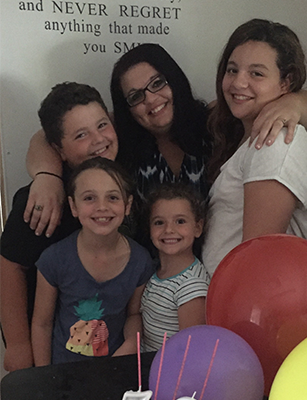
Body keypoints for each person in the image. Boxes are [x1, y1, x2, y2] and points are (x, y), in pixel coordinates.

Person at [23, 43, 307, 240]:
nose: (151, 100)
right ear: (126, 108)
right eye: (136, 96)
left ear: (174, 80)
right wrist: (47, 176)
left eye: (158, 83)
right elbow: (46, 135)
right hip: (147, 294)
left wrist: (295, 104)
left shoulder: (214, 121)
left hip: (213, 282)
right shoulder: (119, 140)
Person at [0, 82, 119, 371]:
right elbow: (9, 265)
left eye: (102, 125)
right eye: (81, 135)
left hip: (109, 342)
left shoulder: (121, 174)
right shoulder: (43, 199)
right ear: (59, 150)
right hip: (52, 347)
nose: (98, 139)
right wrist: (17, 344)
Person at [202, 19, 307, 275]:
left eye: (256, 73)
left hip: (249, 306)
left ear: (285, 83)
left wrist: (298, 103)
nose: (238, 83)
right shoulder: (242, 131)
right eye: (232, 70)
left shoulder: (275, 143)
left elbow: (256, 260)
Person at [31, 157, 153, 365]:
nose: (102, 207)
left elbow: (134, 313)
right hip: (63, 374)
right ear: (73, 206)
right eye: (89, 198)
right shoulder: (54, 259)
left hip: (115, 370)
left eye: (113, 198)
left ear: (128, 205)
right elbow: (42, 323)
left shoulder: (141, 261)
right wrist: (44, 377)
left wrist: (132, 342)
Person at [140, 183, 210, 352]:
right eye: (159, 222)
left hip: (168, 372)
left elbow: (190, 350)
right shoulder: (154, 271)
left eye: (180, 221)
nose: (169, 229)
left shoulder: (192, 286)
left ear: (198, 228)